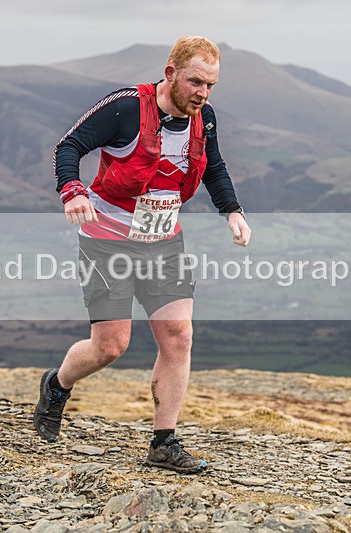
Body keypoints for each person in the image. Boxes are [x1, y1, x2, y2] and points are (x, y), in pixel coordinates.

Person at [35, 36, 251, 474]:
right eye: (195, 82)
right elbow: (69, 146)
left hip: (163, 241)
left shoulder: (204, 118)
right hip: (107, 241)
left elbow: (213, 167)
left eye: (211, 85)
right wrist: (72, 190)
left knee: (178, 336)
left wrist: (232, 212)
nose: (203, 94)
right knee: (110, 347)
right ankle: (57, 385)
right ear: (171, 73)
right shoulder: (127, 108)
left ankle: (163, 442)